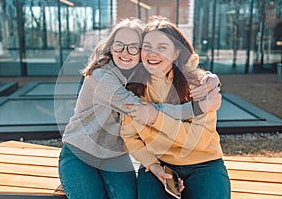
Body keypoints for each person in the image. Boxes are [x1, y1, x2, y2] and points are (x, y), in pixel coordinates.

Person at [58, 17, 221, 199]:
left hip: (115, 157)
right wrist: (197, 108)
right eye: (119, 45)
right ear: (110, 48)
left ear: (140, 52)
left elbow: (182, 67)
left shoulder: (138, 75)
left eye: (133, 47)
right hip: (80, 153)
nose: (125, 52)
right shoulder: (103, 77)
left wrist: (210, 78)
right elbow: (143, 111)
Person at [121, 16, 231, 199]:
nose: (152, 53)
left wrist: (155, 118)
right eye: (147, 47)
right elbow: (130, 136)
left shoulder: (199, 84)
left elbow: (197, 140)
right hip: (159, 164)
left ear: (176, 53)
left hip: (205, 163)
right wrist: (154, 166)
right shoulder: (132, 88)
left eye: (162, 48)